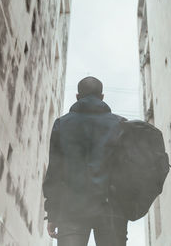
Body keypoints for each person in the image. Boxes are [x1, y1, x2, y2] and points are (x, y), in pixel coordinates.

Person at [42, 76, 128, 246]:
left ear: (77, 96)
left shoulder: (62, 124)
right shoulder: (121, 125)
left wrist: (52, 214)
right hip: (111, 209)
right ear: (102, 97)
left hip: (71, 209)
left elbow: (55, 171)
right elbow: (127, 170)